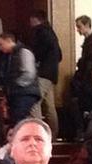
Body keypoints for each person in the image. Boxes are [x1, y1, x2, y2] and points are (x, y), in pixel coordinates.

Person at [28, 10, 62, 139]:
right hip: (52, 74)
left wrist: (36, 59)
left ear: (35, 19)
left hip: (42, 72)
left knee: (34, 102)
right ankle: (53, 136)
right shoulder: (51, 32)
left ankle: (39, 134)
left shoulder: (40, 31)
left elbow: (38, 50)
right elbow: (59, 54)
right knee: (50, 107)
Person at [0, 32, 41, 126]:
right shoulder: (10, 55)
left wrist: (14, 86)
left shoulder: (23, 52)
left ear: (9, 41)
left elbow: (29, 73)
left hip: (24, 91)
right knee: (16, 119)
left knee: (18, 119)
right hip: (19, 91)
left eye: (1, 44)